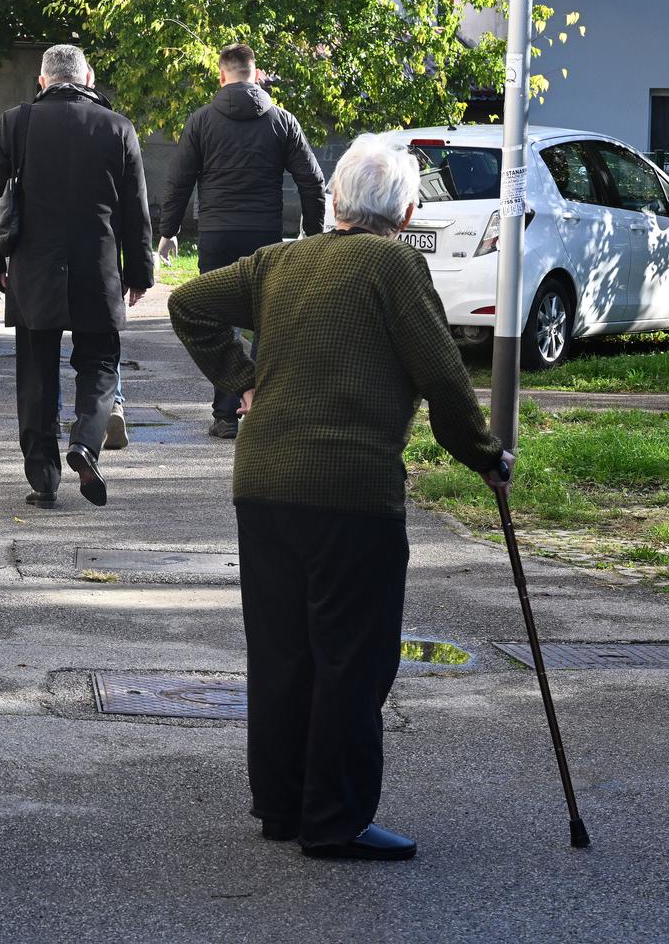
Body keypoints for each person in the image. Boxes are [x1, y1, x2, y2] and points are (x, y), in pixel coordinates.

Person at [167, 132, 512, 861]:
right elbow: (443, 375)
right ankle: (336, 821)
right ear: (408, 208)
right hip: (351, 491)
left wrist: (243, 379)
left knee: (282, 650)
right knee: (351, 658)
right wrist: (484, 457)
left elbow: (189, 301)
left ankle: (283, 806)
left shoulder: (277, 261)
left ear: (334, 201)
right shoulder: (394, 263)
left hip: (262, 485)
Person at [0, 45, 153, 508]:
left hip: (34, 269)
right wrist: (139, 272)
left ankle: (43, 479)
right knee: (100, 365)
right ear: (88, 78)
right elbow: (135, 208)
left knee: (36, 373)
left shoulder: (16, 123)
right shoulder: (118, 127)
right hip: (98, 266)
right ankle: (85, 444)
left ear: (42, 80)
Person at [158, 42, 327, 439]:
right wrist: (313, 233)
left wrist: (168, 232)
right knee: (265, 323)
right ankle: (259, 406)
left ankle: (225, 413)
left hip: (216, 234)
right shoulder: (281, 121)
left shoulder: (200, 121)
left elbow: (179, 181)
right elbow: (312, 181)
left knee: (219, 321)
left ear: (221, 75)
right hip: (263, 237)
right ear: (257, 74)